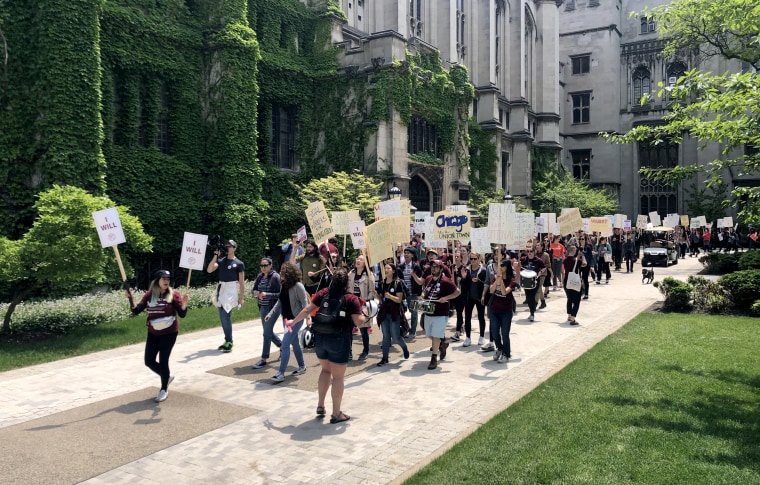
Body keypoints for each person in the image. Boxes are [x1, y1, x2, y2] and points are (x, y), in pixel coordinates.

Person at [289, 268, 365, 424]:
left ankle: (320, 405)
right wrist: (365, 312)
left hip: (321, 338)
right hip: (339, 340)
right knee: (338, 377)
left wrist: (293, 322)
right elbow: (358, 321)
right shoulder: (351, 298)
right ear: (347, 282)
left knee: (325, 370)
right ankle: (336, 413)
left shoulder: (323, 293)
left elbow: (307, 310)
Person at [125, 270, 188, 402]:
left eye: (168, 279)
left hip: (169, 332)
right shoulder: (149, 295)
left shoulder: (173, 295)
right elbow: (136, 311)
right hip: (153, 332)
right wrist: (130, 298)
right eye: (163, 278)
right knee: (148, 361)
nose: (166, 281)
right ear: (157, 280)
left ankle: (164, 389)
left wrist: (184, 304)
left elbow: (182, 315)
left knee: (163, 360)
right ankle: (167, 375)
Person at [265, 263, 309, 382]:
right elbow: (280, 301)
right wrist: (270, 314)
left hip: (295, 320)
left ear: (288, 274)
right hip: (286, 319)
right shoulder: (283, 285)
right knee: (294, 344)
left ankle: (281, 373)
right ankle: (302, 366)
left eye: (282, 273)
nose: (280, 274)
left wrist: (308, 319)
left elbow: (305, 305)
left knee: (285, 344)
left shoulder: (298, 286)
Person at [420, 259, 460, 370]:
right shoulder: (428, 279)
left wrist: (446, 298)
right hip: (428, 311)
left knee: (436, 335)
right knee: (429, 334)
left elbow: (457, 291)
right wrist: (422, 295)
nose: (433, 268)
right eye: (432, 266)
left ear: (441, 269)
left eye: (436, 267)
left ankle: (434, 358)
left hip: (441, 312)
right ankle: (442, 344)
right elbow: (424, 290)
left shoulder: (446, 281)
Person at [206, 239, 245, 352]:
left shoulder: (239, 263)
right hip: (221, 289)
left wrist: (241, 298)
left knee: (225, 315)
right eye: (226, 245)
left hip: (231, 290)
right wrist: (215, 256)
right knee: (222, 317)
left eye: (230, 245)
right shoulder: (222, 261)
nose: (227, 247)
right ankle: (227, 340)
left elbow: (242, 282)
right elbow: (209, 270)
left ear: (234, 248)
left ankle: (229, 341)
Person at [376, 262, 410, 366]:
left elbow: (399, 299)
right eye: (385, 268)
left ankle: (404, 348)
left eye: (388, 268)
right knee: (386, 336)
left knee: (395, 336)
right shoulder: (382, 283)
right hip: (384, 312)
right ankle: (385, 358)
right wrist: (376, 295)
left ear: (393, 271)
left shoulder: (397, 283)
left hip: (394, 312)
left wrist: (390, 296)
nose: (386, 270)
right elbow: (381, 298)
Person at [251, 257, 282, 369]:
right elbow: (254, 290)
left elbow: (280, 294)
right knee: (267, 331)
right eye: (261, 266)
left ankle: (264, 358)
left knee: (266, 333)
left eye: (265, 265)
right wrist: (255, 292)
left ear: (270, 265)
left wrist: (266, 294)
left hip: (273, 308)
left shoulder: (275, 277)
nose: (263, 268)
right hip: (263, 307)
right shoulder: (260, 276)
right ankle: (282, 346)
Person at [487, 260, 517, 363]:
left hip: (506, 311)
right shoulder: (495, 277)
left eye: (502, 266)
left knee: (505, 334)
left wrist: (502, 282)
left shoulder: (512, 281)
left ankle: (506, 354)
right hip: (494, 310)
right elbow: (491, 291)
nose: (500, 267)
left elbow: (504, 292)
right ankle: (499, 348)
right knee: (494, 332)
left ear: (507, 267)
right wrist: (496, 281)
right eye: (499, 265)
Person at [347, 254, 375, 360]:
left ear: (365, 263)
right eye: (357, 259)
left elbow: (372, 291)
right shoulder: (351, 273)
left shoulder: (369, 275)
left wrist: (366, 303)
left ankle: (365, 351)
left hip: (363, 306)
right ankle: (349, 351)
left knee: (363, 330)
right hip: (351, 305)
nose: (358, 260)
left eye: (361, 260)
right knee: (348, 329)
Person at [461, 252, 488, 347]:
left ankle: (481, 336)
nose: (472, 261)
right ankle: (468, 337)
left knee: (481, 317)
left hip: (479, 297)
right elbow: (463, 285)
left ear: (479, 259)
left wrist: (479, 281)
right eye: (471, 259)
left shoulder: (483, 270)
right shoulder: (467, 270)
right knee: (467, 317)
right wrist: (463, 278)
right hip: (469, 297)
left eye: (474, 259)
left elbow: (486, 284)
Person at [400, 247, 423, 338]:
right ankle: (405, 328)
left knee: (414, 313)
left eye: (408, 253)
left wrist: (419, 294)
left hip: (413, 293)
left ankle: (412, 331)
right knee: (401, 312)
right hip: (402, 294)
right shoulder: (401, 266)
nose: (406, 254)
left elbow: (420, 282)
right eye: (405, 253)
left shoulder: (416, 267)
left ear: (412, 255)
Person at [519, 247, 546, 322]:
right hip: (525, 282)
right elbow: (518, 266)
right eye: (528, 251)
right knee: (529, 297)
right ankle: (532, 311)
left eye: (531, 251)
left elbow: (544, 267)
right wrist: (517, 263)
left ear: (534, 252)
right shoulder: (523, 259)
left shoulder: (538, 260)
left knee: (531, 297)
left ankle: (532, 314)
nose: (529, 253)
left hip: (535, 282)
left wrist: (540, 272)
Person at [562, 245, 585, 325]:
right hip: (575, 281)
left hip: (567, 281)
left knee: (569, 299)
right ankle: (573, 318)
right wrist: (582, 256)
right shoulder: (577, 261)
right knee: (577, 300)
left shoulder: (565, 260)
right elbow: (584, 264)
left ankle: (569, 315)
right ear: (573, 251)